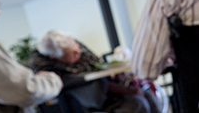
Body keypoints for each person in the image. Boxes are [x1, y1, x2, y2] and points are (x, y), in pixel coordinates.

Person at [29, 29, 161, 113]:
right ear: (56, 57)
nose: (79, 51)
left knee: (149, 95)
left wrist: (116, 75)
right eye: (73, 53)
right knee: (137, 103)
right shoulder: (42, 66)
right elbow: (89, 81)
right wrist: (128, 90)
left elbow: (99, 66)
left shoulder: (76, 46)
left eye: (77, 46)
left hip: (106, 88)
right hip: (91, 99)